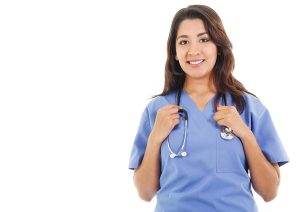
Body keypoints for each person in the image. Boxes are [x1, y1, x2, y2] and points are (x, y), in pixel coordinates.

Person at [128, 4, 289, 212]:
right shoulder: (158, 110)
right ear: (175, 52)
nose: (193, 50)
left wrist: (245, 134)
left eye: (204, 40)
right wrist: (155, 138)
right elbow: (145, 193)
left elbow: (269, 192)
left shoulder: (247, 107)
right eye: (184, 42)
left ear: (219, 47)